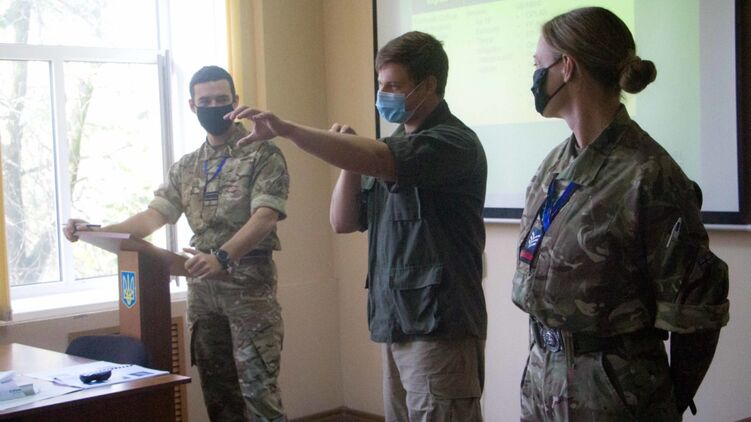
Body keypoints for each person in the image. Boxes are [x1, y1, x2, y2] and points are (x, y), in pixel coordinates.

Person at [226, 31, 487, 422]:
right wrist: (348, 164)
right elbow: (342, 220)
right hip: (398, 324)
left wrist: (288, 129)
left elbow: (380, 159)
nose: (383, 94)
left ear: (429, 85)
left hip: (440, 328)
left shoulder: (451, 143)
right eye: (380, 85)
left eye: (394, 85)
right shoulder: (388, 149)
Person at [513, 7, 730, 421]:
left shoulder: (647, 174)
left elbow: (697, 312)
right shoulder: (553, 166)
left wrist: (666, 404)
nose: (535, 77)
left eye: (539, 65)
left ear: (567, 67)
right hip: (543, 380)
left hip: (612, 395)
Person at [64, 66, 290, 422]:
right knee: (219, 397)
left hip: (249, 291)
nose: (214, 107)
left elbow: (265, 217)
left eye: (222, 100)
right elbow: (152, 217)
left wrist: (223, 257)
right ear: (192, 105)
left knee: (259, 397)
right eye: (206, 101)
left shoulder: (263, 154)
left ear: (235, 102)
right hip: (203, 294)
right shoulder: (186, 167)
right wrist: (95, 230)